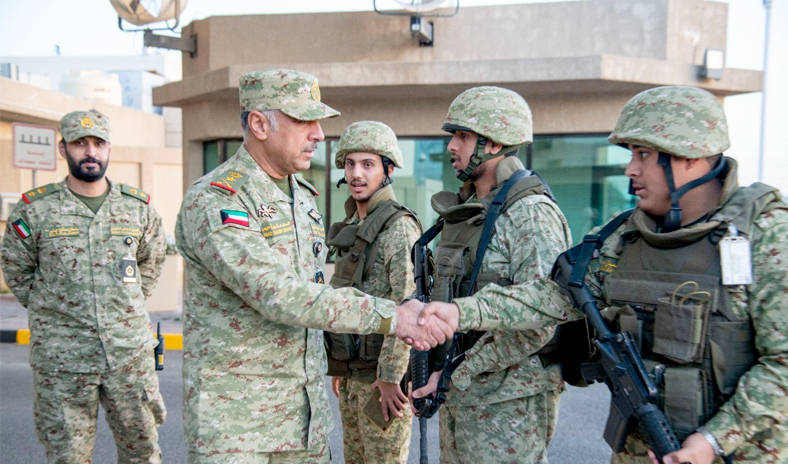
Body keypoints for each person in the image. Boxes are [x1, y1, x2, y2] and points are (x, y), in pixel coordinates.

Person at [417, 86, 788, 464]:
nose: (630, 169)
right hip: (640, 447)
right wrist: (462, 312)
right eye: (631, 155)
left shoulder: (766, 234)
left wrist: (712, 441)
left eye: (643, 154)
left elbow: (782, 366)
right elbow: (554, 298)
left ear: (691, 156)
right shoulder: (623, 236)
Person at [174, 69, 452, 464]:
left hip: (303, 422)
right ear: (259, 124)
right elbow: (279, 294)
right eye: (305, 120)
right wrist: (395, 317)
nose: (319, 134)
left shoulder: (302, 198)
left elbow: (318, 287)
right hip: (237, 427)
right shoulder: (219, 200)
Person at [410, 86, 572, 464]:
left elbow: (543, 318)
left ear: (494, 144)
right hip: (460, 392)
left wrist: (459, 372)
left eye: (463, 136)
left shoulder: (530, 212)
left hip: (508, 402)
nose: (452, 145)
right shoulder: (468, 210)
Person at [0, 110, 167, 464]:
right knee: (67, 457)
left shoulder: (138, 208)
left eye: (98, 143)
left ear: (108, 149)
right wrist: (57, 309)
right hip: (62, 358)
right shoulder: (35, 210)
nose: (90, 152)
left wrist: (124, 306)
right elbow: (16, 268)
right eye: (79, 143)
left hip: (128, 355)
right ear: (64, 149)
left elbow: (151, 262)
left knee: (143, 453)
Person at [325, 121, 421, 463]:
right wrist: (341, 366)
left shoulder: (398, 227)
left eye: (368, 164)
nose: (356, 174)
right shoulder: (355, 226)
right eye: (350, 164)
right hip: (353, 373)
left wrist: (391, 377)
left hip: (383, 380)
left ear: (388, 170)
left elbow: (409, 306)